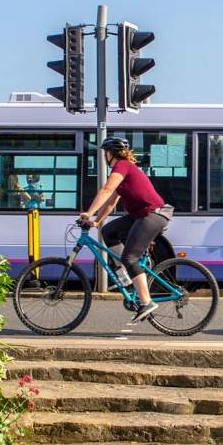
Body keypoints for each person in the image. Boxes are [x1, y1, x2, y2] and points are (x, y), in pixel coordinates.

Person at [79, 137, 171, 323]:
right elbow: (112, 201)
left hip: (152, 214)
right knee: (108, 232)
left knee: (130, 257)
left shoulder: (122, 166)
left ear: (110, 153)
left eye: (105, 152)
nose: (104, 156)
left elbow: (106, 190)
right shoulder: (125, 170)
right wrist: (97, 221)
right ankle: (124, 274)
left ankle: (147, 302)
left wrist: (88, 213)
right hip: (141, 215)